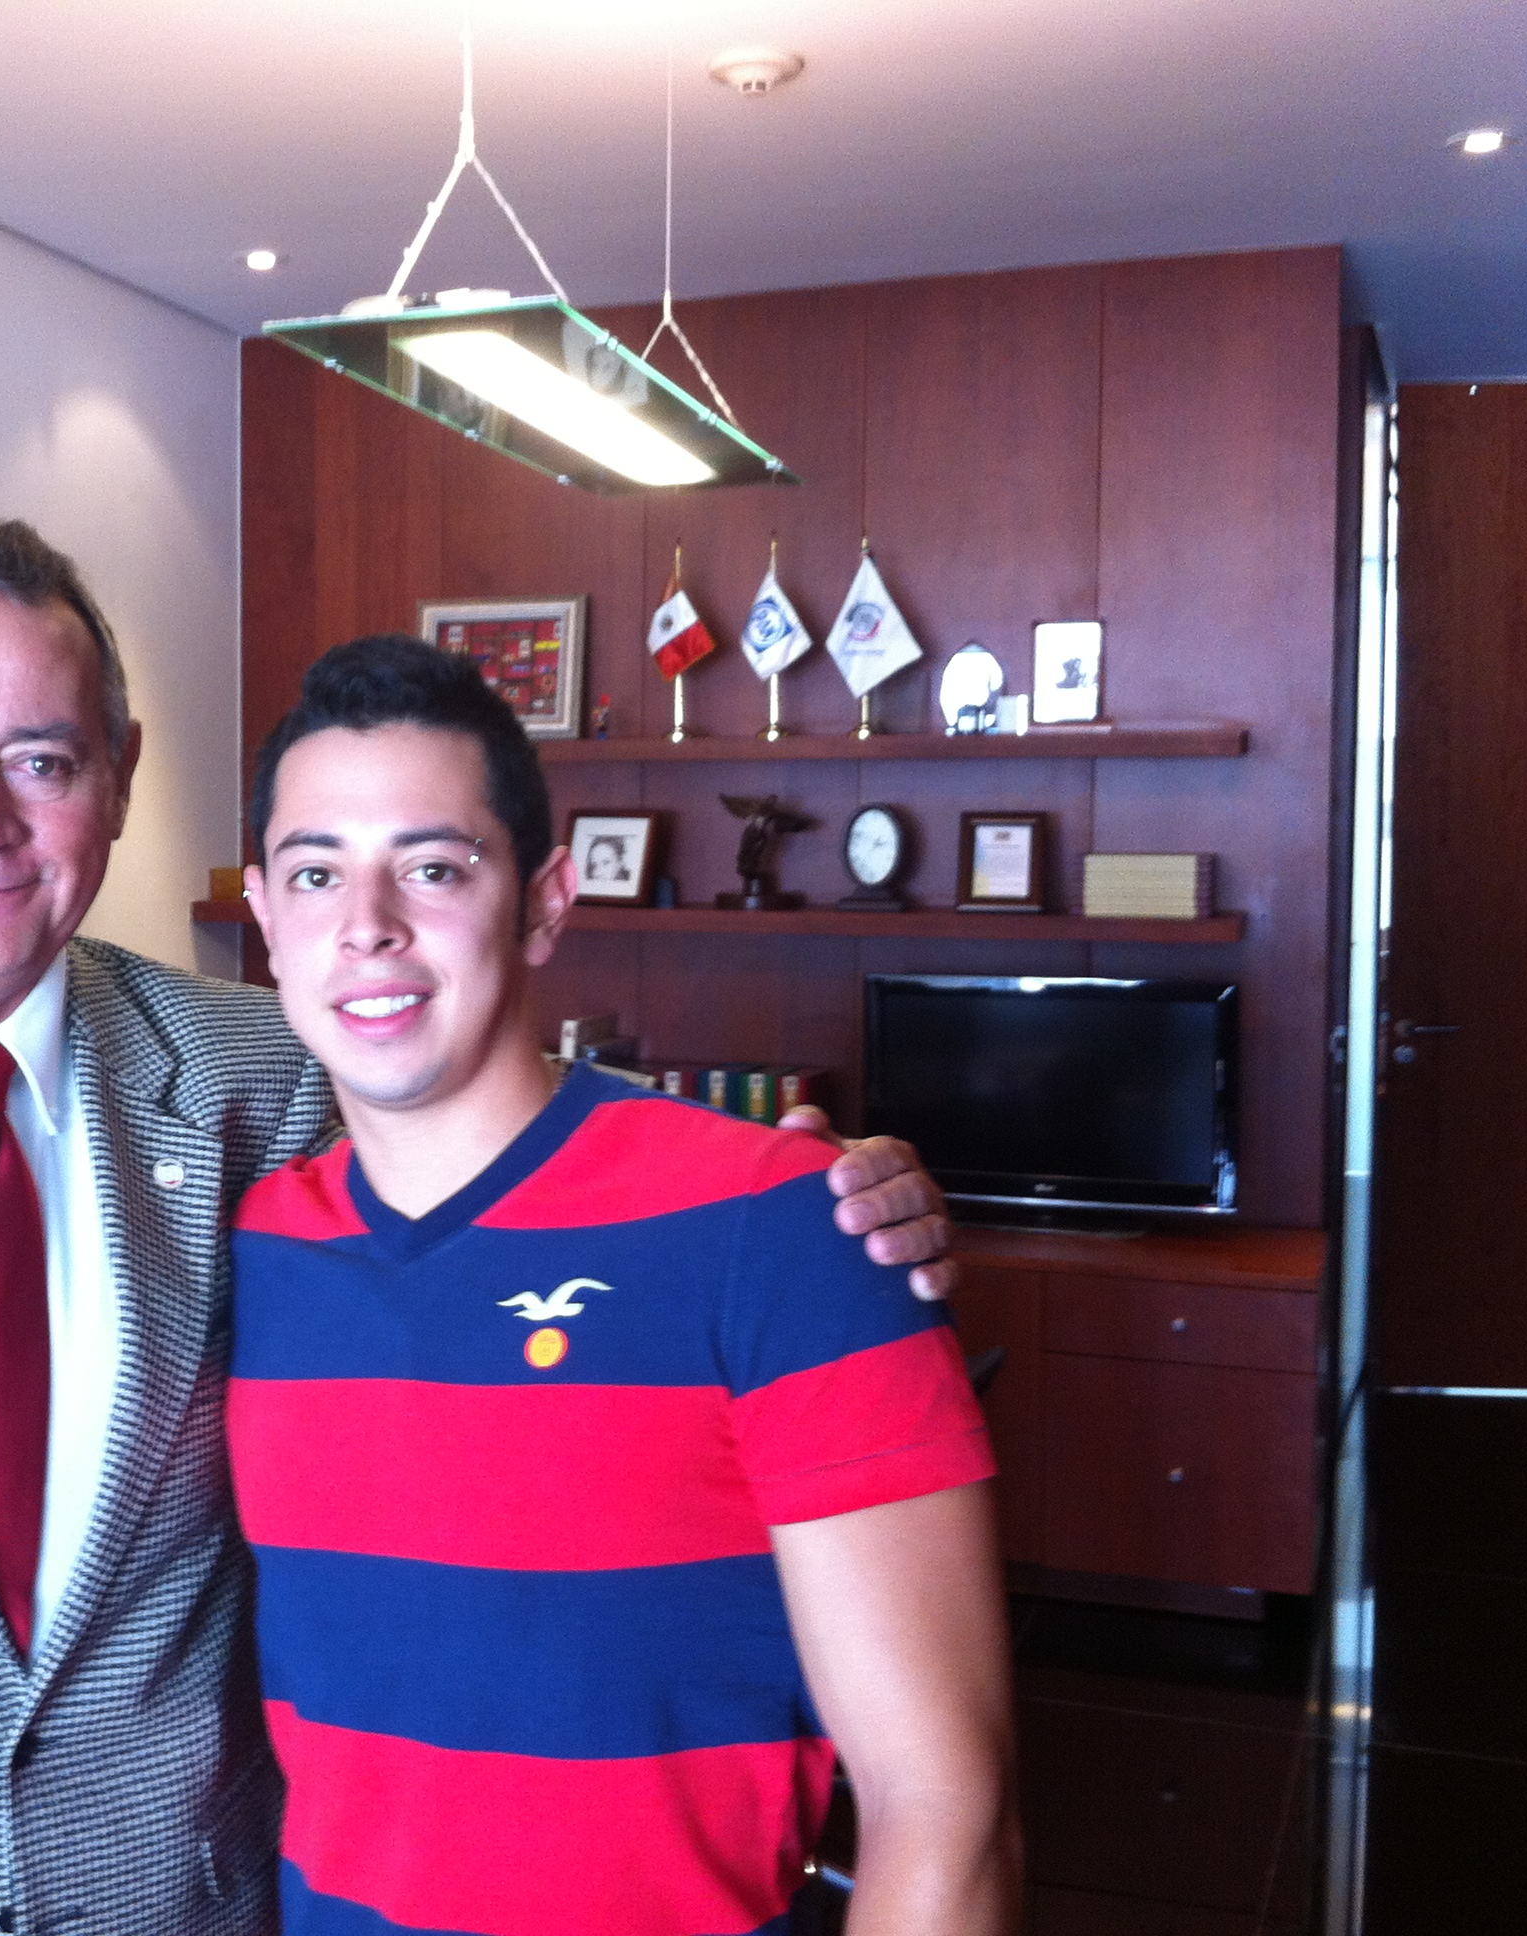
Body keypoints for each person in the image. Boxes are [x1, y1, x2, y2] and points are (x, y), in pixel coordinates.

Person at [0, 516, 959, 1934]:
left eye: (39, 758)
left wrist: (805, 1191)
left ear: (117, 775)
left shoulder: (261, 1077)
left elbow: (477, 1097)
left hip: (181, 1900)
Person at [228, 635, 1019, 1936]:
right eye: (318, 874)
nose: (366, 925)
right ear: (265, 915)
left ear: (544, 901)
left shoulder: (785, 1229)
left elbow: (948, 1811)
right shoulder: (254, 1248)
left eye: (433, 868)